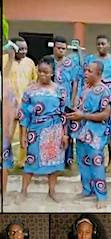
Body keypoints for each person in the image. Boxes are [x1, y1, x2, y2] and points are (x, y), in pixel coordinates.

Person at [15, 58, 68, 204]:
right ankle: (23, 191)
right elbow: (24, 115)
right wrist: (23, 135)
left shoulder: (60, 90)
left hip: (55, 131)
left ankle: (52, 191)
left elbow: (63, 113)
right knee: (31, 161)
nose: (42, 75)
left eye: (46, 72)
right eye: (40, 71)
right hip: (36, 131)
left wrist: (65, 134)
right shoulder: (30, 91)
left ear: (52, 73)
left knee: (54, 163)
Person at [67, 61, 111, 209]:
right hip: (81, 133)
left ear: (98, 74)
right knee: (83, 163)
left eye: (90, 71)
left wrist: (83, 116)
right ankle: (87, 191)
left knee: (97, 164)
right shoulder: (85, 89)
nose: (86, 73)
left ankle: (101, 196)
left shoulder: (105, 91)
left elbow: (105, 115)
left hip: (96, 135)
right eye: (86, 70)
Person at [45, 36, 80, 168]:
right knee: (51, 130)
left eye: (63, 49)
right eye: (58, 48)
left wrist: (73, 101)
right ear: (53, 48)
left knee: (68, 132)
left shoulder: (71, 64)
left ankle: (68, 161)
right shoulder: (48, 61)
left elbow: (75, 82)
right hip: (50, 101)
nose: (60, 51)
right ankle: (51, 158)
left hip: (66, 102)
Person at [2, 36, 38, 168]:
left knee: (24, 136)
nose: (23, 52)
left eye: (25, 49)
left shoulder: (29, 63)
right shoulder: (5, 60)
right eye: (20, 49)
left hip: (24, 104)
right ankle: (5, 160)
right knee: (8, 135)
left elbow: (34, 81)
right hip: (9, 104)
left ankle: (22, 161)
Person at [83, 35, 111, 169]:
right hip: (94, 99)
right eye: (98, 44)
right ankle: (97, 159)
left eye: (103, 44)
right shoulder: (90, 59)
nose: (101, 46)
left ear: (108, 44)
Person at [3, 44, 20, 206]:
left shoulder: (6, 84)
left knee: (5, 164)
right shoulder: (1, 83)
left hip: (4, 132)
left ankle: (4, 192)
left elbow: (15, 114)